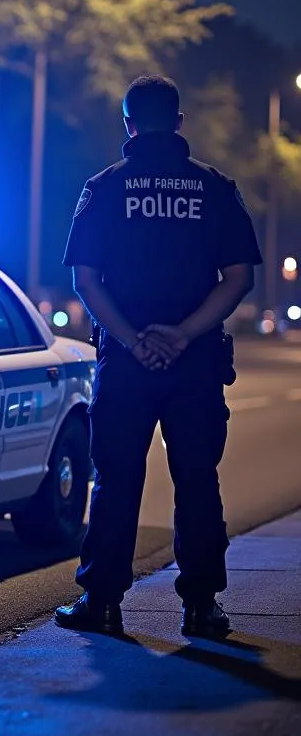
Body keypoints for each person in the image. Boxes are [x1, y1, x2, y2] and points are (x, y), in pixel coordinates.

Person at [56, 74, 263, 639]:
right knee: (197, 479)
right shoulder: (214, 188)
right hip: (195, 363)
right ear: (178, 121)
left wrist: (133, 340)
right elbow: (239, 277)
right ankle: (201, 607)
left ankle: (101, 603)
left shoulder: (103, 189)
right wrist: (184, 335)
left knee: (116, 479)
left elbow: (86, 280)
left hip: (125, 365)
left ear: (127, 124)